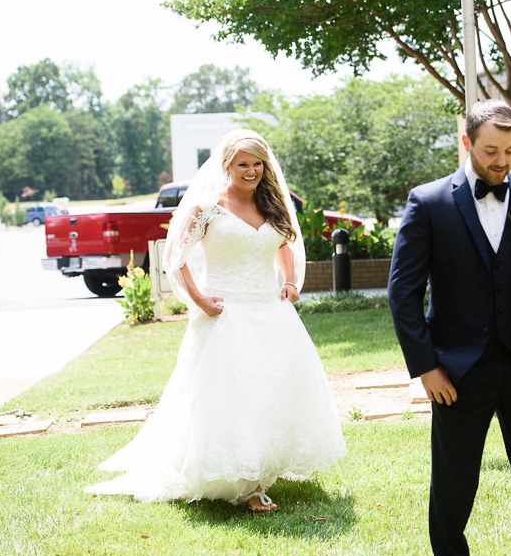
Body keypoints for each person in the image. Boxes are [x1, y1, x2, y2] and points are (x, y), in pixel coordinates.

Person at [85, 129, 346, 512]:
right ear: (227, 165)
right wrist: (200, 300)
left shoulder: (271, 204)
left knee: (272, 389)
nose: (252, 170)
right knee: (233, 394)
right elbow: (176, 258)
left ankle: (261, 469)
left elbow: (284, 245)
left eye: (258, 164)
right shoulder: (205, 209)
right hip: (225, 313)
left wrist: (289, 281)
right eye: (244, 164)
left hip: (270, 311)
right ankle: (247, 486)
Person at [388, 99, 511, 556]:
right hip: (457, 374)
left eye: (510, 151)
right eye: (491, 150)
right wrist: (427, 367)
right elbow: (403, 294)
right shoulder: (429, 202)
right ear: (467, 142)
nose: (501, 161)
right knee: (454, 484)